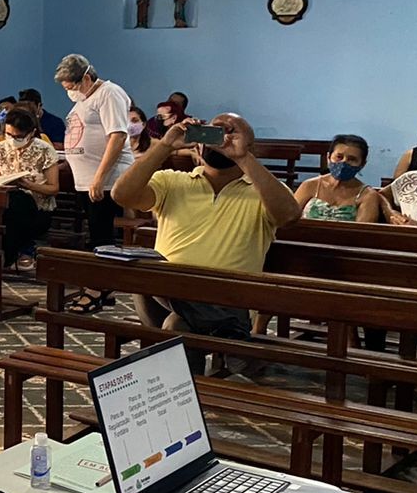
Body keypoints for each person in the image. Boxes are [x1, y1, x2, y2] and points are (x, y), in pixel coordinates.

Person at [112, 113, 301, 351]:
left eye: (230, 132)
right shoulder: (171, 181)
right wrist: (165, 146)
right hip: (165, 295)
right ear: (199, 142)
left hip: (229, 302)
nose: (221, 139)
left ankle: (177, 369)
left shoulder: (264, 190)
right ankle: (224, 349)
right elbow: (122, 195)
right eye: (214, 131)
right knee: (146, 278)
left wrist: (243, 158)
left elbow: (290, 216)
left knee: (175, 325)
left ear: (249, 146)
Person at [54, 53, 135, 313]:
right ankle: (104, 287)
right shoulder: (85, 99)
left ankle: (98, 288)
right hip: (85, 180)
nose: (70, 92)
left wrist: (100, 177)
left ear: (86, 78)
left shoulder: (109, 93)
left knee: (101, 237)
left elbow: (117, 136)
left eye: (71, 86)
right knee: (95, 235)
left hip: (106, 179)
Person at [0, 107, 59, 281]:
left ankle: (0, 264)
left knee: (19, 201)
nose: (13, 140)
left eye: (18, 137)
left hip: (37, 208)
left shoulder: (44, 150)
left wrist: (27, 184)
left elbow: (53, 188)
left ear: (31, 133)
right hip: (4, 205)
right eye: (9, 135)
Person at [293, 135, 383, 222]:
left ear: (362, 164)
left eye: (351, 159)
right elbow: (287, 217)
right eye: (339, 157)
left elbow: (362, 232)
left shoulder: (367, 195)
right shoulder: (310, 185)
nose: (344, 162)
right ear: (328, 158)